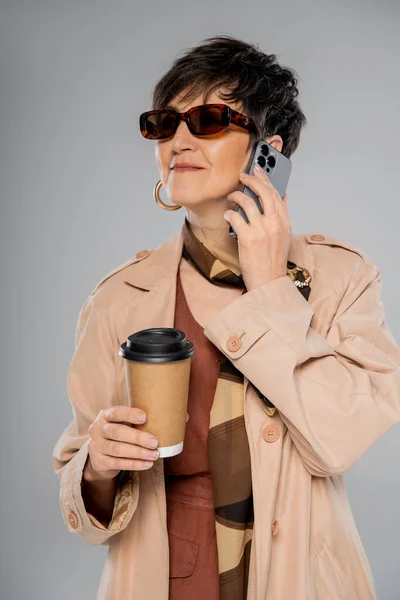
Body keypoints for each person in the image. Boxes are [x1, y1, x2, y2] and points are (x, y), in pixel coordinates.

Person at [52, 35, 400, 600]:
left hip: (302, 578)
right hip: (167, 577)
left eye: (210, 119)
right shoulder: (121, 296)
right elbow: (79, 475)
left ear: (270, 152)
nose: (180, 139)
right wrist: (97, 465)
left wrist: (268, 286)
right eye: (165, 123)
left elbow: (338, 440)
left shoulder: (344, 279)